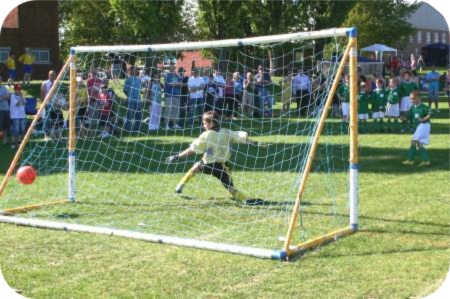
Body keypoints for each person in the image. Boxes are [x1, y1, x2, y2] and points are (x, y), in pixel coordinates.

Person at [165, 110, 263, 205]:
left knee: (196, 167)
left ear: (211, 123)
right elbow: (240, 137)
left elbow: (192, 149)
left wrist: (177, 156)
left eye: (204, 123)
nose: (203, 125)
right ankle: (244, 199)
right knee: (229, 186)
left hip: (207, 164)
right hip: (220, 166)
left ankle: (180, 186)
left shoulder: (205, 135)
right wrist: (253, 142)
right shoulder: (226, 132)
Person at [402, 90, 431, 166]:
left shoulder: (424, 106)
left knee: (413, 141)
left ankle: (410, 160)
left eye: (413, 98)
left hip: (424, 125)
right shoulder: (412, 108)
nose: (411, 100)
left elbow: (430, 113)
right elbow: (408, 117)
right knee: (419, 144)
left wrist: (423, 119)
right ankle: (426, 161)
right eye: (410, 98)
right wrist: (403, 118)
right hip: (420, 127)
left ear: (419, 98)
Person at [81, 69, 106, 137]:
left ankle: (93, 133)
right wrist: (95, 98)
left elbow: (103, 91)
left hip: (99, 101)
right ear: (90, 74)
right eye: (93, 73)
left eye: (95, 73)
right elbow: (89, 92)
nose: (94, 74)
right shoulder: (89, 81)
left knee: (95, 118)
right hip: (92, 101)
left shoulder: (100, 81)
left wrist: (102, 99)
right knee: (91, 118)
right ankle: (89, 133)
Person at [41, 70, 65, 140]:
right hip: (48, 104)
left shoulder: (57, 83)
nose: (53, 76)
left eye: (54, 75)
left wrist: (60, 102)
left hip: (56, 104)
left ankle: (57, 134)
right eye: (51, 75)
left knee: (57, 119)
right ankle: (46, 135)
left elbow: (59, 93)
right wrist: (43, 103)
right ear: (48, 75)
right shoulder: (45, 83)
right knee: (47, 119)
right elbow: (42, 93)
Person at [123, 66, 143, 132]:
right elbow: (125, 90)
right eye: (133, 70)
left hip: (138, 100)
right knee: (130, 115)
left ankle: (137, 128)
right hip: (131, 100)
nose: (135, 71)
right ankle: (128, 128)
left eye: (136, 70)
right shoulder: (128, 79)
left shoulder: (139, 79)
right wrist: (129, 96)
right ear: (131, 71)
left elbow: (140, 89)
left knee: (138, 115)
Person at [163, 63, 182, 129]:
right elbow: (169, 84)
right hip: (169, 95)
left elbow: (180, 84)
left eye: (174, 67)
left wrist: (175, 84)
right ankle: (166, 125)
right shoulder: (167, 75)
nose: (173, 68)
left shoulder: (177, 75)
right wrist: (176, 84)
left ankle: (174, 124)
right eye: (172, 67)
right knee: (168, 110)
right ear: (170, 68)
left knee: (175, 109)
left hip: (177, 94)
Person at [9, 84, 27, 149]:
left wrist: (21, 97)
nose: (19, 91)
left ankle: (19, 142)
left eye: (20, 89)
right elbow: (18, 104)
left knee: (22, 129)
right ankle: (13, 143)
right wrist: (21, 97)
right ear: (15, 90)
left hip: (22, 115)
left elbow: (25, 103)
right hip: (15, 115)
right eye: (17, 89)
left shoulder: (21, 96)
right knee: (16, 130)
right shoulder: (12, 96)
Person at [0, 75, 12, 145]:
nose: (0, 80)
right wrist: (4, 97)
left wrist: (2, 98)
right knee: (1, 125)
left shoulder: (4, 87)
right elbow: (5, 97)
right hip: (0, 109)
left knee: (6, 125)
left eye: (1, 79)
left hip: (6, 108)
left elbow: (9, 96)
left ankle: (5, 140)